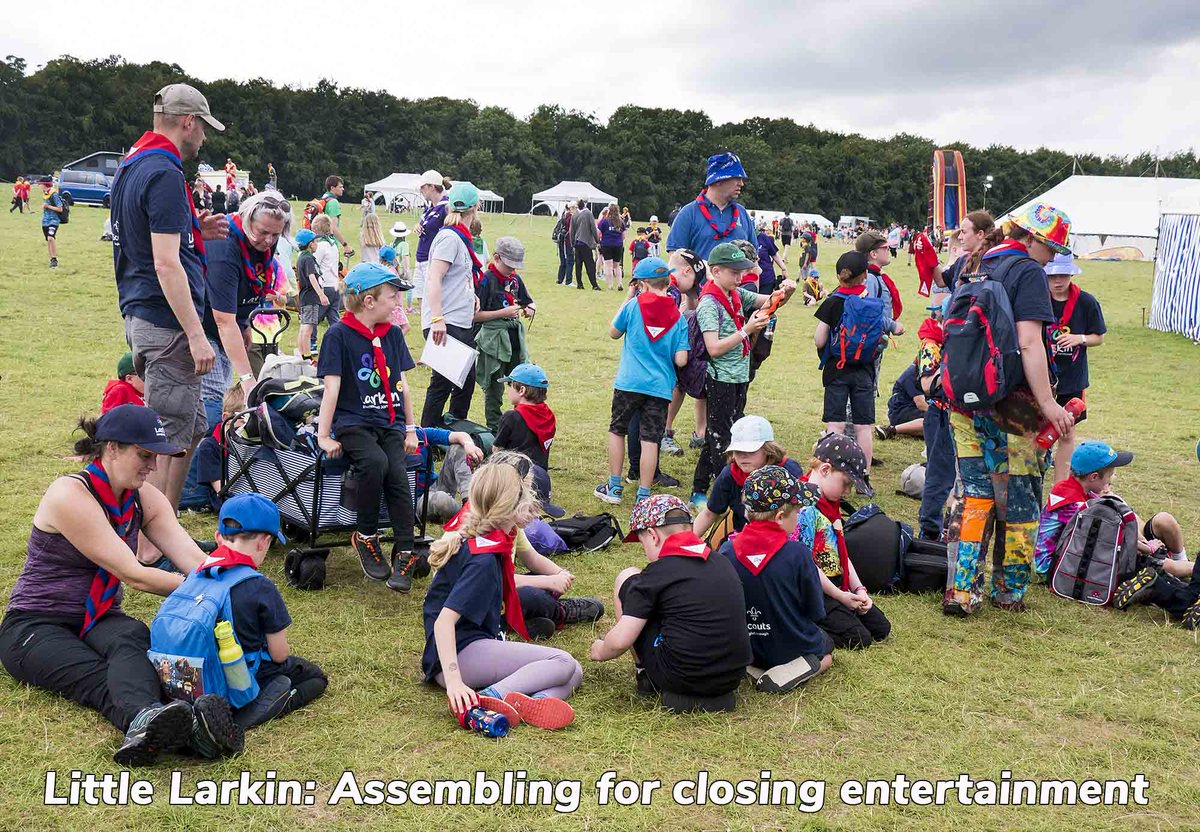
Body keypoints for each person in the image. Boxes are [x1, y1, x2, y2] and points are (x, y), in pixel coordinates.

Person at [0, 405, 238, 766]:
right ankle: (173, 727)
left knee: (134, 639)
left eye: (156, 457)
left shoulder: (144, 498)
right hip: (35, 625)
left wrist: (234, 582)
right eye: (144, 455)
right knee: (100, 676)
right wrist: (203, 593)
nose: (153, 466)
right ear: (112, 448)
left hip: (100, 618)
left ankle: (167, 723)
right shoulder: (69, 494)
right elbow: (134, 574)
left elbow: (195, 561)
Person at [943, 203, 1076, 617]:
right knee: (1018, 500)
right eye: (1051, 249)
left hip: (963, 401)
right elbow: (1030, 342)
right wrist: (1049, 403)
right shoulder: (1028, 271)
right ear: (1032, 239)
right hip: (1012, 408)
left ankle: (961, 591)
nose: (1052, 260)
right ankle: (1008, 592)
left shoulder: (974, 262)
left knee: (974, 497)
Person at [111, 83, 229, 509]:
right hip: (167, 323)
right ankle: (149, 535)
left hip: (144, 313)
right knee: (163, 439)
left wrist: (194, 229)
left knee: (189, 426)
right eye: (204, 128)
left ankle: (167, 521)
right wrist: (197, 335)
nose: (204, 138)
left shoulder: (133, 164)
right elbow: (164, 263)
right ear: (188, 122)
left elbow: (143, 237)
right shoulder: (164, 173)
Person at [423, 458, 582, 730]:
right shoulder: (483, 558)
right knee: (562, 662)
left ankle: (529, 702)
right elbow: (443, 621)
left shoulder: (492, 541)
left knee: (575, 672)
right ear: (512, 506)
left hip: (474, 645)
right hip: (459, 655)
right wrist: (455, 683)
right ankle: (488, 698)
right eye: (527, 496)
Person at [166, 494, 328, 730]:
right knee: (316, 678)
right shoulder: (260, 586)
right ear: (264, 542)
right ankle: (254, 710)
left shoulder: (197, 575)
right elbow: (279, 654)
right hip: (239, 675)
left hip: (191, 674)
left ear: (218, 537)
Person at [590, 495, 752, 713]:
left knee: (627, 578)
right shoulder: (722, 561)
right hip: (731, 678)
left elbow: (619, 642)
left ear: (652, 535)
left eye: (642, 543)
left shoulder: (658, 573)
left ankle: (645, 675)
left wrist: (600, 651)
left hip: (678, 677)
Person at [315, 263, 422, 592]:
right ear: (369, 301)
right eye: (392, 296)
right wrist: (323, 435)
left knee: (398, 474)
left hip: (389, 422)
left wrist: (410, 428)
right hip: (354, 421)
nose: (397, 303)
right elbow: (332, 387)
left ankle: (405, 552)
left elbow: (402, 384)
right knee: (374, 462)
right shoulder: (338, 335)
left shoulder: (392, 334)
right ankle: (365, 535)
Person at [689, 243, 794, 508]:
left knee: (718, 432)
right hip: (721, 379)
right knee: (722, 441)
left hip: (738, 377)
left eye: (742, 272)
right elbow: (713, 348)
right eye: (734, 272)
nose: (740, 277)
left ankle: (699, 489)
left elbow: (768, 302)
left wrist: (785, 292)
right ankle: (725, 496)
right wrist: (747, 330)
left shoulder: (734, 294)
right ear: (716, 271)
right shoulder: (709, 303)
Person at [720, 466, 833, 693]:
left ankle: (751, 667)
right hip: (789, 647)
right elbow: (815, 611)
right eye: (797, 512)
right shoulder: (798, 554)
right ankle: (790, 672)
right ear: (780, 517)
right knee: (827, 648)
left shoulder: (726, 551)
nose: (798, 517)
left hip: (745, 646)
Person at [595, 257, 690, 505]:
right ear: (667, 283)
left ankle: (614, 487)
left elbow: (613, 332)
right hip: (660, 387)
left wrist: (628, 296)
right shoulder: (678, 317)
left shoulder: (633, 306)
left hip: (629, 383)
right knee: (650, 440)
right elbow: (681, 360)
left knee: (618, 430)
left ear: (643, 284)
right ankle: (644, 495)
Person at [792, 433, 892, 649]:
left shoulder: (830, 504)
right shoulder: (804, 509)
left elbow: (841, 553)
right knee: (858, 638)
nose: (847, 492)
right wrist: (840, 596)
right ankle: (801, 624)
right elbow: (806, 565)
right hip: (813, 589)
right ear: (825, 470)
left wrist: (859, 589)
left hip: (837, 584)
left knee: (881, 628)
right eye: (846, 483)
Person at [203, 192, 288, 403]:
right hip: (202, 323)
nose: (269, 240)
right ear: (247, 220)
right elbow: (223, 321)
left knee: (221, 390)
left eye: (276, 235)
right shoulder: (224, 246)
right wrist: (247, 380)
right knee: (213, 397)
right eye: (263, 232)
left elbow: (253, 283)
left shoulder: (264, 240)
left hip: (230, 324)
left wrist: (246, 325)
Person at [813, 251, 883, 497]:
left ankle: (830, 474)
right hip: (864, 371)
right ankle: (864, 480)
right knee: (863, 427)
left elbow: (819, 339)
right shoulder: (871, 302)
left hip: (836, 371)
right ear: (865, 275)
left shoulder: (833, 302)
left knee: (836, 424)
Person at [422, 182, 485, 427]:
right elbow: (434, 278)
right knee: (442, 383)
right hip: (445, 321)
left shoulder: (461, 237)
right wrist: (437, 319)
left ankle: (454, 430)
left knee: (465, 382)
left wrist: (470, 295)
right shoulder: (450, 237)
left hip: (458, 319)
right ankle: (427, 437)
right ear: (476, 207)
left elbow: (456, 276)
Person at [1045, 252, 1106, 483]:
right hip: (1041, 378)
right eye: (1052, 277)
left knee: (1067, 433)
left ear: (1071, 274)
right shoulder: (1037, 299)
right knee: (1038, 432)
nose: (1057, 281)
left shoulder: (1086, 302)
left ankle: (1061, 486)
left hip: (1072, 379)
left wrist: (1079, 338)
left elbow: (1098, 337)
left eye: (1062, 275)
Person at [691, 415, 805, 540]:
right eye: (737, 451)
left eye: (750, 451)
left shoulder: (788, 471)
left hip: (787, 539)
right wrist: (686, 542)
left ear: (768, 449)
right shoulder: (730, 475)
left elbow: (803, 512)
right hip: (744, 538)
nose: (743, 456)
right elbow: (710, 513)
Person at [474, 237, 536, 432]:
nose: (512, 269)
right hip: (493, 341)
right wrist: (503, 313)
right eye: (509, 265)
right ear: (496, 258)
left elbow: (528, 301)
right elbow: (475, 316)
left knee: (521, 381)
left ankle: (521, 423)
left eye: (515, 266)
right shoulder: (486, 280)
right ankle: (494, 429)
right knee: (495, 387)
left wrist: (530, 308)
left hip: (514, 338)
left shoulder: (515, 279)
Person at [915, 298, 956, 541]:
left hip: (955, 414)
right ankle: (930, 530)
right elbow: (927, 385)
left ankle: (947, 523)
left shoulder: (951, 340)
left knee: (950, 474)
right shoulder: (932, 344)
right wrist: (952, 362)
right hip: (940, 415)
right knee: (939, 474)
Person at [666, 152, 756, 259]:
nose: (741, 183)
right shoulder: (689, 213)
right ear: (718, 180)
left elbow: (754, 256)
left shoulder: (742, 213)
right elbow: (675, 257)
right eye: (737, 178)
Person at [493, 363, 555, 471]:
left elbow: (497, 450)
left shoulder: (511, 417)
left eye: (510, 385)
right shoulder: (549, 416)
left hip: (514, 475)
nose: (508, 390)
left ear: (522, 390)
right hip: (540, 474)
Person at [414, 170, 450, 305]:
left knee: (432, 302)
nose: (420, 190)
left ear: (432, 187)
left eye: (423, 187)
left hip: (433, 259)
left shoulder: (446, 207)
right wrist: (418, 226)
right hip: (421, 257)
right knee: (421, 300)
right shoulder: (429, 207)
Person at [293, 229, 327, 361]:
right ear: (310, 244)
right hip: (310, 297)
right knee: (308, 328)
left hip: (305, 296)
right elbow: (312, 277)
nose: (317, 244)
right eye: (315, 241)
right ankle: (307, 356)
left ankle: (302, 353)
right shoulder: (308, 259)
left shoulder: (302, 257)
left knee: (304, 326)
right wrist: (321, 295)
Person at [878, 363, 926, 439]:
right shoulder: (913, 374)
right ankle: (891, 430)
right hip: (900, 411)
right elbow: (921, 404)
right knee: (933, 419)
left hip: (913, 409)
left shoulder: (929, 373)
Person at [318, 175, 354, 257]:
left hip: (319, 242)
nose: (343, 189)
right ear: (332, 188)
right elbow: (333, 227)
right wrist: (345, 245)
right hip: (330, 244)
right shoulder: (333, 202)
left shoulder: (324, 198)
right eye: (340, 187)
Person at [572, 199, 602, 290]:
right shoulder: (588, 214)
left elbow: (571, 230)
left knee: (578, 265)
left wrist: (573, 242)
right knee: (590, 265)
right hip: (585, 242)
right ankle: (594, 285)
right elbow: (593, 228)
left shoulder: (575, 214)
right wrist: (597, 241)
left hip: (577, 242)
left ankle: (579, 284)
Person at [598, 203, 626, 290]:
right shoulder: (621, 222)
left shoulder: (605, 221)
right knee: (617, 266)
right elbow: (624, 236)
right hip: (618, 245)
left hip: (607, 244)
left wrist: (599, 241)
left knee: (608, 265)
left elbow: (598, 233)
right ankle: (620, 283)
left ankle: (610, 285)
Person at [390, 221, 415, 313]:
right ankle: (409, 308)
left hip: (395, 269)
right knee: (409, 288)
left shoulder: (392, 244)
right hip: (402, 269)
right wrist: (406, 270)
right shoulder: (404, 244)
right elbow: (405, 257)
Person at [41, 179, 64, 268]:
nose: (40, 186)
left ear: (45, 185)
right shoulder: (45, 194)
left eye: (41, 184)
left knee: (50, 238)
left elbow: (60, 209)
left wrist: (47, 206)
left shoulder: (54, 194)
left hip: (53, 220)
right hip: (45, 221)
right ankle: (52, 258)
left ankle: (54, 259)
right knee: (48, 239)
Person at [552, 203, 575, 286]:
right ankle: (568, 281)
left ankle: (560, 279)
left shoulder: (563, 215)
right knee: (570, 260)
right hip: (567, 241)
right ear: (571, 208)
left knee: (563, 261)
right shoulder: (570, 217)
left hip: (561, 240)